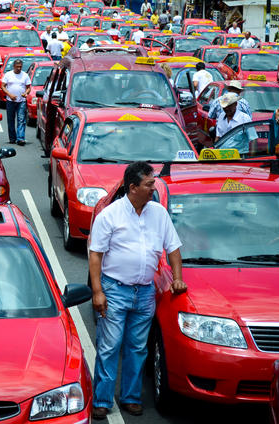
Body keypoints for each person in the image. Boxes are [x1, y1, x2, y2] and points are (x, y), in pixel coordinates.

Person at [89, 161, 186, 421]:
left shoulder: (159, 213)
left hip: (144, 293)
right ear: (133, 187)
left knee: (137, 348)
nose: (153, 187)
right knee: (109, 347)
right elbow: (96, 255)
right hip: (114, 290)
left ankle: (130, 398)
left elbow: (173, 248)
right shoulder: (110, 215)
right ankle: (102, 400)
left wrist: (177, 278)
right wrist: (98, 292)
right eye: (149, 184)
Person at [1, 59, 31, 146]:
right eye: (17, 67)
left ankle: (20, 138)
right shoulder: (8, 75)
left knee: (21, 119)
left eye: (20, 67)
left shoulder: (25, 75)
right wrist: (10, 95)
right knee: (11, 120)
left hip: (21, 101)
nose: (19, 68)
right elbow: (3, 86)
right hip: (10, 101)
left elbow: (28, 87)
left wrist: (26, 93)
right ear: (14, 66)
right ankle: (12, 138)